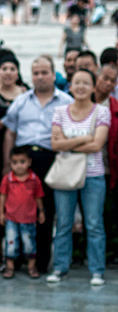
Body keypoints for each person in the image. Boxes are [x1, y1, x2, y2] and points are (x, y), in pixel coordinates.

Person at [2, 55, 72, 275]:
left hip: (52, 159)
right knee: (20, 211)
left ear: (53, 74)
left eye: (44, 72)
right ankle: (20, 258)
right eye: (36, 73)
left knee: (45, 211)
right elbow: (10, 133)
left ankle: (41, 261)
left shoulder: (65, 101)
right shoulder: (21, 101)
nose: (40, 77)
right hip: (24, 162)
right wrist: (7, 165)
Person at [47, 68, 109, 286]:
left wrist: (68, 142)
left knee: (94, 224)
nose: (81, 87)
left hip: (93, 175)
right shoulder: (60, 111)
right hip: (66, 175)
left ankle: (97, 270)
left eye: (86, 83)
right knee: (63, 223)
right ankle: (60, 268)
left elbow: (97, 145)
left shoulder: (101, 112)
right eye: (77, 83)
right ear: (70, 87)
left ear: (93, 87)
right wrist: (84, 138)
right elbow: (55, 144)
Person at [0, 51, 26, 268]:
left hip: (21, 155)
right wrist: (6, 119)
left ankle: (20, 251)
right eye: (4, 69)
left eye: (12, 68)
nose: (8, 73)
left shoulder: (26, 93)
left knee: (21, 203)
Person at [0, 146, 45, 278]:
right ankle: (10, 267)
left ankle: (31, 267)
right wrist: (1, 213)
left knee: (29, 244)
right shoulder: (8, 179)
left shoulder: (34, 179)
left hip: (29, 219)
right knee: (11, 243)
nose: (18, 166)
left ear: (29, 162)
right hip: (11, 219)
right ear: (10, 163)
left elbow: (38, 197)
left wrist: (41, 212)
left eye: (22, 162)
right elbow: (2, 196)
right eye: (15, 162)